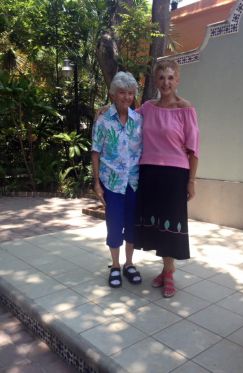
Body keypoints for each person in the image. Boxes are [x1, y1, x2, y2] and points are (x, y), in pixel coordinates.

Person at [134, 59, 200, 298]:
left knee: (171, 225)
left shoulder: (186, 109)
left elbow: (193, 149)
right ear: (156, 81)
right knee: (158, 225)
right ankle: (165, 269)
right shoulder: (148, 108)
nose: (166, 82)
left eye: (170, 77)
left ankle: (169, 274)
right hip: (149, 172)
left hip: (175, 174)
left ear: (178, 80)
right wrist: (106, 110)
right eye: (161, 78)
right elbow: (128, 119)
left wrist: (191, 181)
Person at [91, 71, 143, 288]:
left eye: (130, 93)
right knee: (114, 225)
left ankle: (129, 264)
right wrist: (96, 182)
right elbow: (95, 152)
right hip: (111, 183)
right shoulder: (103, 121)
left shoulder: (139, 119)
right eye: (122, 92)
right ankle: (115, 265)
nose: (126, 97)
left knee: (132, 224)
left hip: (133, 182)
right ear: (113, 94)